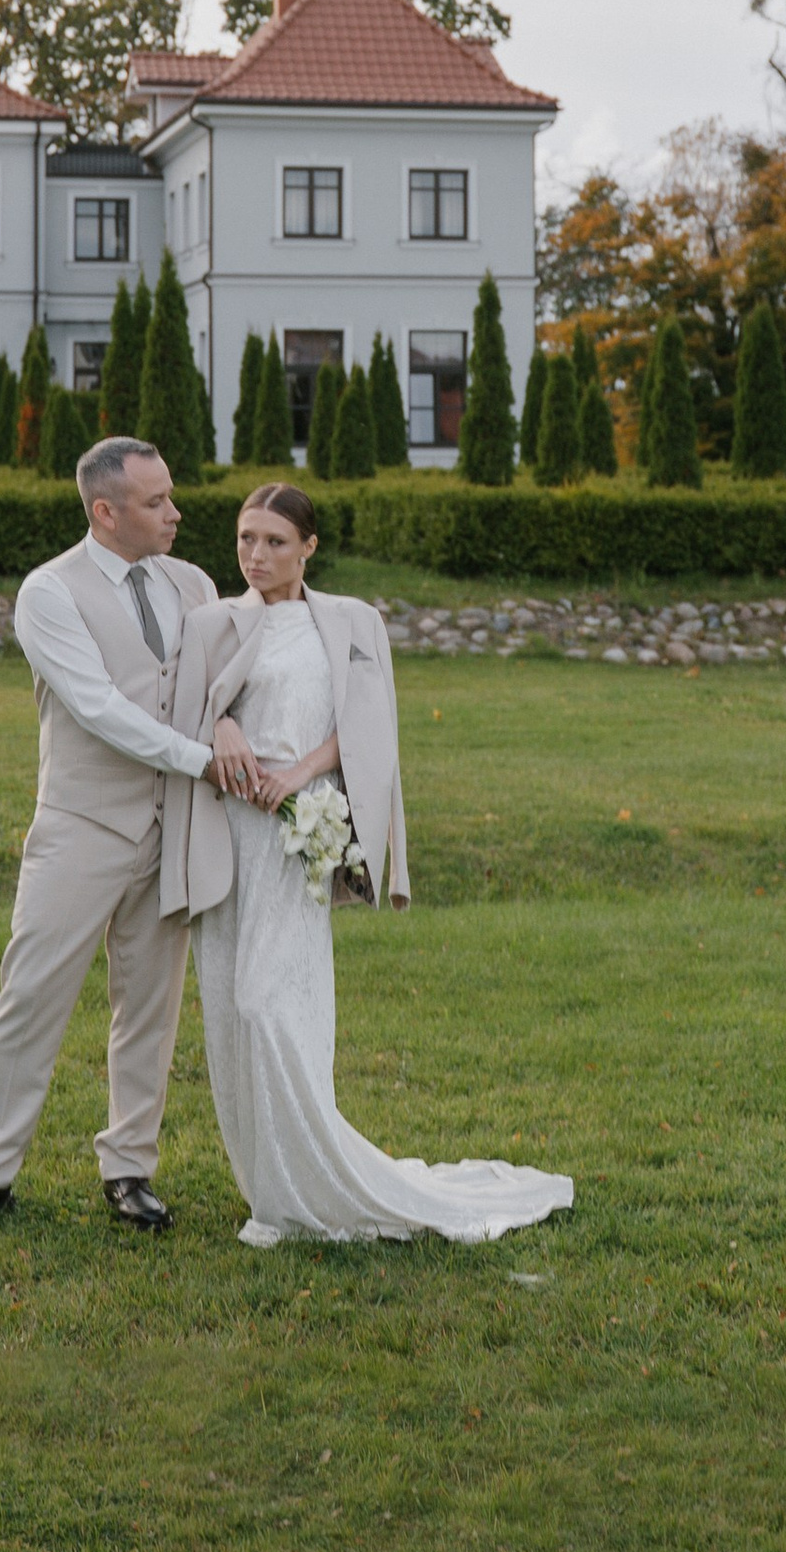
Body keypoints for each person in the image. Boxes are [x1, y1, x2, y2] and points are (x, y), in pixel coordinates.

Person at [161, 482, 575, 1249]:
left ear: (310, 547)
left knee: (268, 1004)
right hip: (228, 833)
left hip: (297, 831)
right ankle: (269, 1186)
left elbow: (366, 723)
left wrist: (304, 776)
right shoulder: (211, 622)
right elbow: (182, 711)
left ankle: (312, 1185)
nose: (257, 555)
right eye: (246, 539)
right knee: (228, 1013)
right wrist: (219, 723)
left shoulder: (352, 622)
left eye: (276, 542)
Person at [0, 436, 255, 1235]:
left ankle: (130, 1168)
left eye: (171, 495)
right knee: (32, 993)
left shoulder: (194, 582)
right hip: (81, 827)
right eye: (156, 503)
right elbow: (99, 707)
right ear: (106, 512)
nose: (175, 513)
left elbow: (214, 686)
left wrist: (224, 728)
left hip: (172, 827)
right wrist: (201, 761)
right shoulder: (50, 592)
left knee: (149, 1004)